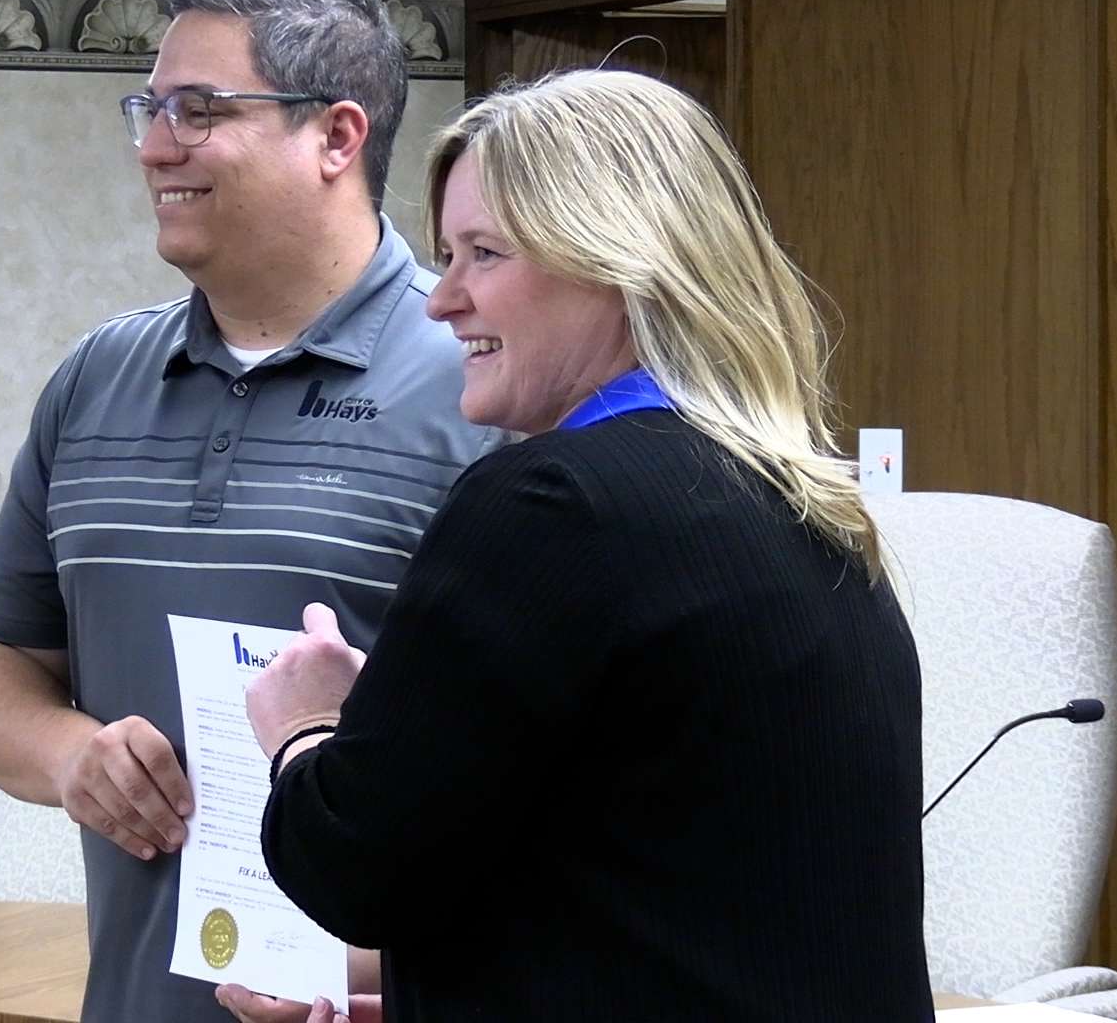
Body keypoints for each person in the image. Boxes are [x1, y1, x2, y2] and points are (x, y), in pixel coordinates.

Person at [244, 69, 935, 1022]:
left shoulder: (551, 502)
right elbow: (691, 907)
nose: (442, 301)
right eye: (446, 256)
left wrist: (307, 729)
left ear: (617, 262)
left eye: (484, 254)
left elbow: (354, 869)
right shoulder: (805, 503)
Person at [0, 0, 500, 1022]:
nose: (155, 146)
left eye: (199, 110)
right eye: (149, 109)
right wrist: (71, 756)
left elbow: (562, 784)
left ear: (336, 136)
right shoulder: (95, 381)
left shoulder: (482, 383)